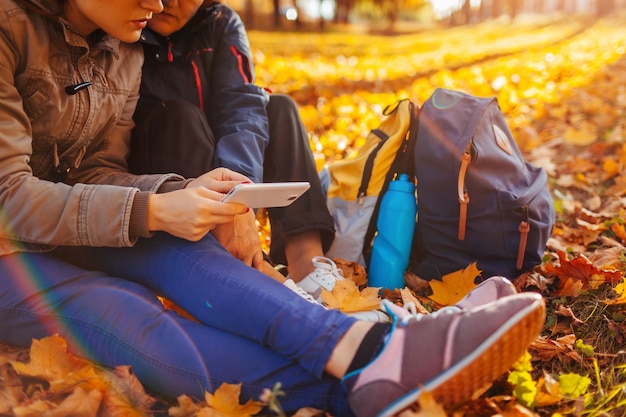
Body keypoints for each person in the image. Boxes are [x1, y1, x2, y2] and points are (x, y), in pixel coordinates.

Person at [0, 0, 546, 416]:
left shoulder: (119, 44)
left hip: (69, 224)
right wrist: (153, 208)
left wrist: (175, 195)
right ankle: (373, 363)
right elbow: (8, 197)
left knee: (177, 241)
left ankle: (373, 352)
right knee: (118, 305)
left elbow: (99, 170)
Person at [127, 0, 343, 301]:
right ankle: (249, 270)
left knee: (279, 108)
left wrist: (238, 196)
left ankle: (308, 264)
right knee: (179, 116)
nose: (168, 2)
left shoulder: (220, 21)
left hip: (217, 165)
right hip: (160, 183)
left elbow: (240, 108)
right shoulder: (124, 21)